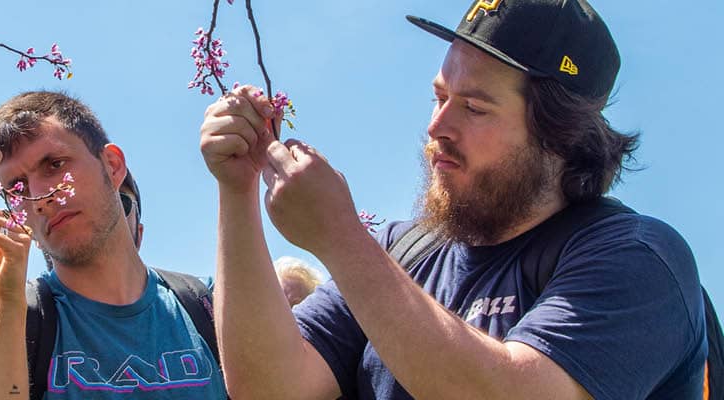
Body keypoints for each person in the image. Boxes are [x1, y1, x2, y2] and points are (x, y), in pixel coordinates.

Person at [199, 0, 707, 399]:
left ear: (560, 135)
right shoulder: (402, 251)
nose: (436, 126)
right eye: (440, 97)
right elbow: (270, 386)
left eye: (474, 107)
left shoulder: (636, 259)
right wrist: (237, 190)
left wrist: (339, 237)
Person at [0, 93, 225, 399]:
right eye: (17, 187)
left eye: (54, 164)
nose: (41, 197)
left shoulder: (208, 303)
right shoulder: (8, 312)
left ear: (113, 165)